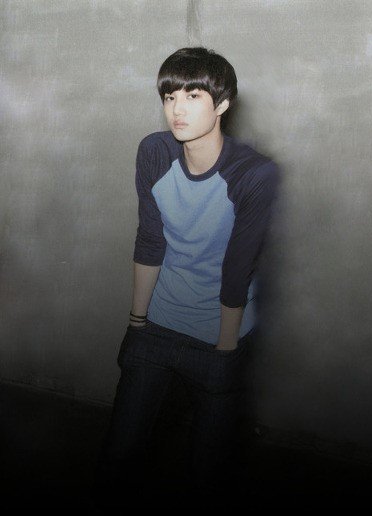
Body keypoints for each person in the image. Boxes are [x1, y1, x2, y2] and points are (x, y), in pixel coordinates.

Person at [94, 46, 279, 508]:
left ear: (222, 104)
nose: (177, 108)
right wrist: (137, 323)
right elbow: (150, 239)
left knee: (207, 474)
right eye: (170, 95)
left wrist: (225, 348)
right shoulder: (155, 152)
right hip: (157, 327)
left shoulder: (253, 173)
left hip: (219, 335)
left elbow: (239, 266)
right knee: (119, 455)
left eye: (193, 95)